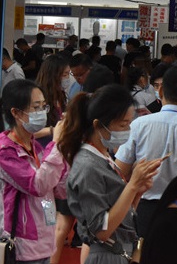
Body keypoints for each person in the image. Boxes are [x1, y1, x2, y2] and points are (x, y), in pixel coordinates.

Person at [59, 84, 162, 263]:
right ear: (98, 125)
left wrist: (137, 191)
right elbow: (102, 230)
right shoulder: (88, 165)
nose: (128, 131)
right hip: (107, 255)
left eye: (129, 123)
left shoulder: (103, 157)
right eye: (123, 125)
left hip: (118, 251)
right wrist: (132, 186)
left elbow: (121, 215)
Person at [115, 65, 177, 238]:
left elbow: (119, 172)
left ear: (160, 91)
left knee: (144, 251)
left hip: (144, 208)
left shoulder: (139, 125)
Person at [0, 79, 68, 264]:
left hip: (45, 240)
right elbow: (38, 185)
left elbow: (60, 190)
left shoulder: (35, 146)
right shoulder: (6, 152)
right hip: (22, 245)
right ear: (15, 113)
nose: (42, 112)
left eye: (44, 106)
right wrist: (56, 144)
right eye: (36, 107)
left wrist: (66, 149)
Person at [35, 54, 70, 144]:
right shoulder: (37, 97)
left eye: (68, 74)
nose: (67, 78)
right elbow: (29, 132)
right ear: (53, 76)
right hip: (41, 146)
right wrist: (53, 130)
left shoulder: (61, 95)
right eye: (65, 74)